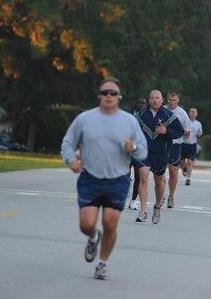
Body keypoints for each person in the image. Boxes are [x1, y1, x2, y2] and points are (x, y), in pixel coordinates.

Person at [60, 77, 147, 280]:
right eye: (105, 92)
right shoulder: (85, 119)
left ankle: (102, 263)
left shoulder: (129, 121)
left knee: (110, 223)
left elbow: (143, 152)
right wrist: (71, 160)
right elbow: (67, 142)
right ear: (100, 95)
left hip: (118, 180)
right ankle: (93, 237)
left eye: (113, 93)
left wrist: (133, 147)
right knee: (86, 224)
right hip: (90, 179)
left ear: (119, 97)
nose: (109, 96)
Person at [134, 90, 183, 224]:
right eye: (152, 98)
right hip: (145, 152)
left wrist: (167, 131)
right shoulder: (141, 115)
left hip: (161, 153)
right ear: (149, 100)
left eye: (157, 98)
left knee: (159, 181)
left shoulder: (169, 116)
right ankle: (143, 211)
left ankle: (157, 207)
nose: (154, 100)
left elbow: (179, 132)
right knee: (143, 177)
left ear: (162, 101)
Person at [165, 90, 191, 208]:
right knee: (159, 173)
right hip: (162, 144)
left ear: (178, 100)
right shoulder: (162, 110)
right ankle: (161, 194)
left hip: (176, 145)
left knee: (173, 172)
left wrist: (176, 130)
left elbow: (187, 134)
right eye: (170, 99)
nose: (172, 102)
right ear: (167, 99)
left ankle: (171, 196)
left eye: (174, 100)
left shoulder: (183, 114)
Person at [126, 97, 147, 210]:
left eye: (143, 103)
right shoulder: (128, 115)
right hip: (128, 149)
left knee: (139, 176)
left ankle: (133, 201)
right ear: (135, 103)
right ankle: (127, 182)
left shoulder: (148, 117)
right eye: (139, 103)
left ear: (145, 105)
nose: (140, 105)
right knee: (126, 173)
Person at [181, 107, 202, 186]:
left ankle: (188, 179)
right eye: (191, 111)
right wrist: (184, 134)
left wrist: (199, 135)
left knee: (190, 162)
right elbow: (180, 131)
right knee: (182, 162)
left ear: (196, 114)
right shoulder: (185, 122)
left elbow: (200, 133)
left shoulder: (198, 124)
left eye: (194, 112)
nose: (193, 113)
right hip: (183, 143)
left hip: (192, 145)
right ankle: (183, 168)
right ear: (189, 113)